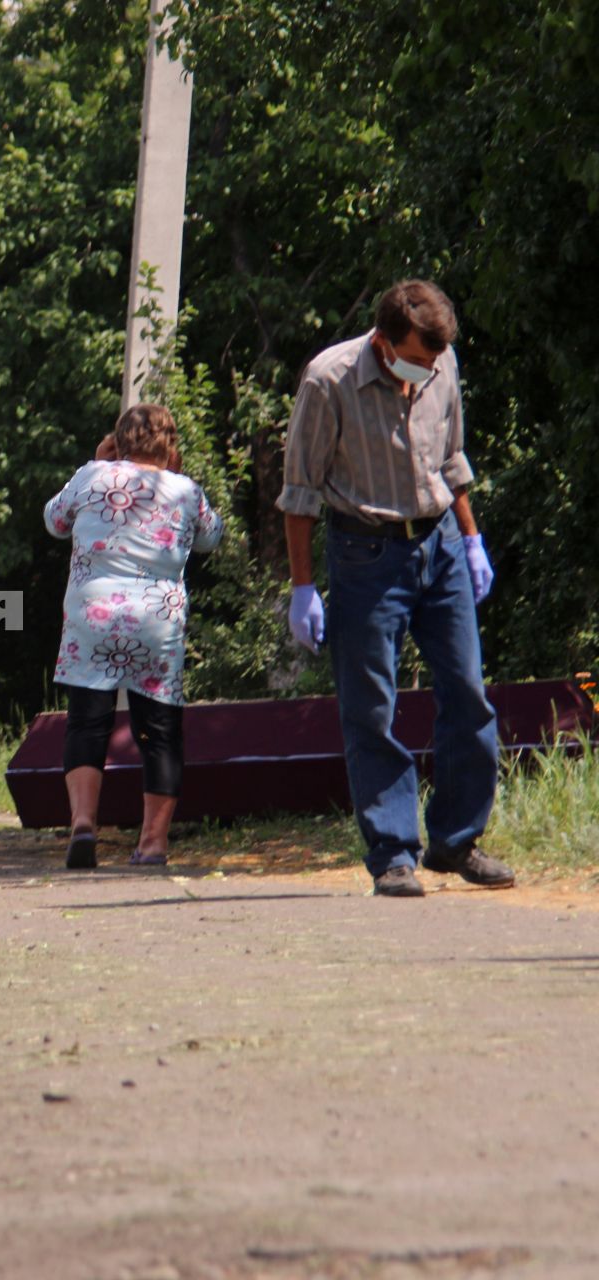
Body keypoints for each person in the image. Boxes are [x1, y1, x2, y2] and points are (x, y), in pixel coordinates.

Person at [278, 279, 511, 898]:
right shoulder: (328, 380)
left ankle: (456, 841)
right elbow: (300, 492)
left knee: (467, 694)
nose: (427, 369)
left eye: (435, 360)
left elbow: (453, 460)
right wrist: (303, 588)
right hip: (365, 553)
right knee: (371, 707)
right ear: (383, 342)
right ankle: (392, 853)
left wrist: (470, 540)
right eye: (416, 356)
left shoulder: (442, 361)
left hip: (440, 547)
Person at [44, 404, 222, 869]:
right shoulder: (184, 489)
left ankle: (84, 824)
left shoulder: (91, 476)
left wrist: (97, 463)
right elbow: (211, 538)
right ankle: (153, 843)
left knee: (87, 722)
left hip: (93, 616)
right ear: (171, 446)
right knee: (159, 732)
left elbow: (54, 521)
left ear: (117, 442)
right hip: (156, 619)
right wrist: (179, 478)